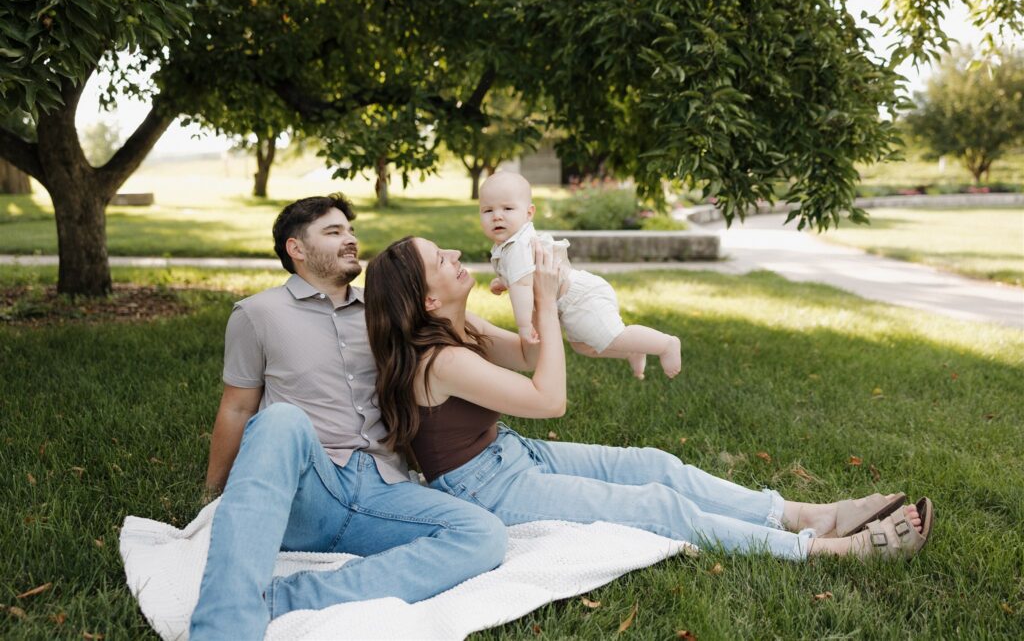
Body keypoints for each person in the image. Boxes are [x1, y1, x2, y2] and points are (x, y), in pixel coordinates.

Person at [363, 236, 934, 562]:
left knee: (651, 465)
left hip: (509, 457)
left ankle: (814, 514)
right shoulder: (442, 361)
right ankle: (822, 551)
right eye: (440, 260)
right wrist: (543, 294)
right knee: (658, 507)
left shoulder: (464, 330)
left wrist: (540, 296)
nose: (454, 254)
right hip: (487, 488)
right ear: (429, 301)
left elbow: (533, 356)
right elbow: (549, 397)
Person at [189, 195, 507, 640]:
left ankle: (291, 598)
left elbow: (453, 346)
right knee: (281, 419)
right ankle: (224, 628)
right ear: (296, 248)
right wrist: (213, 494)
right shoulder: (256, 314)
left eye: (351, 231)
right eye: (334, 232)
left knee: (484, 535)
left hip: (384, 490)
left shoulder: (388, 312)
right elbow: (238, 407)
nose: (351, 240)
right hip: (309, 489)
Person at [479, 171, 681, 379]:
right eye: (487, 210)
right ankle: (633, 349)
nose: (497, 216)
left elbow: (522, 286)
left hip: (580, 297)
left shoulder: (517, 246)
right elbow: (522, 276)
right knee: (583, 346)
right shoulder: (509, 244)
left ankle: (666, 344)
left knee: (614, 336)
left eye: (507, 208)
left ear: (529, 213)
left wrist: (524, 326)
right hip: (572, 299)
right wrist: (504, 281)